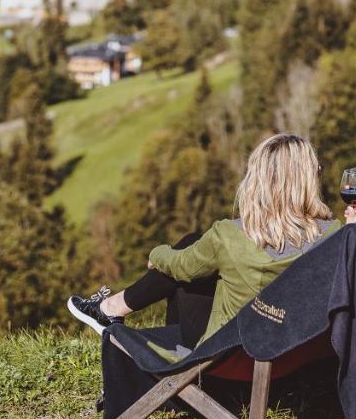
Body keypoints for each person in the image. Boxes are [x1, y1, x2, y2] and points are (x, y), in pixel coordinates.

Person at [68, 133, 338, 348]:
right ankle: (111, 309)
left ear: (258, 180)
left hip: (233, 356)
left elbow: (180, 267)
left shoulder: (230, 235)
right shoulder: (337, 235)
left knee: (187, 261)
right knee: (198, 250)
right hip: (299, 353)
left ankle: (112, 310)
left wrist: (157, 253)